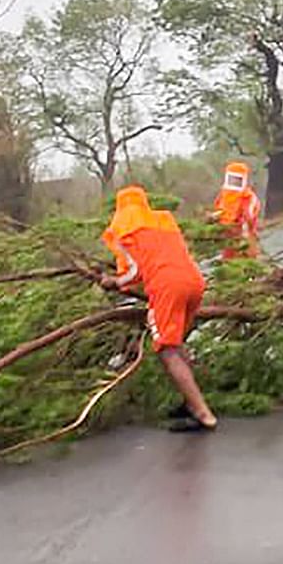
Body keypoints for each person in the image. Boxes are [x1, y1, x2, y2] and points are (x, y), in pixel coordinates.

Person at [103, 185, 218, 432]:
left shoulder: (124, 228)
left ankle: (203, 414)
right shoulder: (162, 221)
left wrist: (113, 282)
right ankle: (191, 403)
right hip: (194, 281)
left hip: (168, 287)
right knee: (176, 344)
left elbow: (133, 272)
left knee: (166, 349)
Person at [209, 161, 263, 259]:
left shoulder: (248, 197)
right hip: (227, 233)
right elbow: (219, 209)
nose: (234, 182)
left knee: (246, 258)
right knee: (228, 260)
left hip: (243, 233)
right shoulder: (223, 194)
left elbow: (250, 217)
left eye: (237, 179)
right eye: (232, 178)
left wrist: (244, 227)